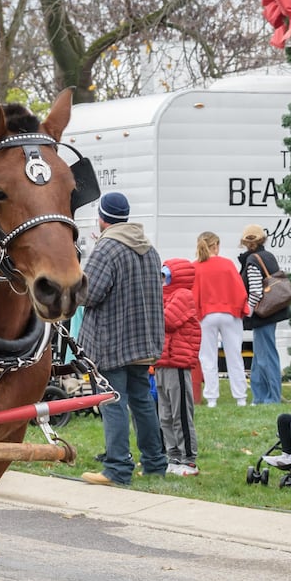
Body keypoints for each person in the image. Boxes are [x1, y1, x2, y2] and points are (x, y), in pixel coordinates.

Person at [78, 191, 168, 486]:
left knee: (112, 402)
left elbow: (88, 294)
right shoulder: (149, 248)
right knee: (141, 401)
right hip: (143, 342)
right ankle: (155, 464)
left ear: (102, 218)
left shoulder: (107, 249)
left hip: (112, 342)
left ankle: (116, 468)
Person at [193, 231, 249, 408]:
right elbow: (240, 291)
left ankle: (211, 399)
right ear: (216, 245)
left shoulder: (196, 266)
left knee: (207, 357)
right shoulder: (227, 264)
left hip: (206, 316)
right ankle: (240, 398)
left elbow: (193, 295)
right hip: (229, 314)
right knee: (235, 356)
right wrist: (242, 310)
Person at [156, 258, 200, 476]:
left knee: (180, 413)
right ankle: (172, 455)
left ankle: (188, 458)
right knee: (165, 414)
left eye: (165, 276)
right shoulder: (163, 297)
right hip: (162, 363)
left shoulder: (183, 295)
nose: (161, 280)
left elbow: (168, 320)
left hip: (177, 364)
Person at [239, 223, 289, 405]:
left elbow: (255, 292)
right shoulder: (268, 256)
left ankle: (271, 398)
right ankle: (260, 396)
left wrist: (248, 312)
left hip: (263, 314)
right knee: (261, 355)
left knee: (266, 356)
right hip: (273, 311)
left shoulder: (252, 260)